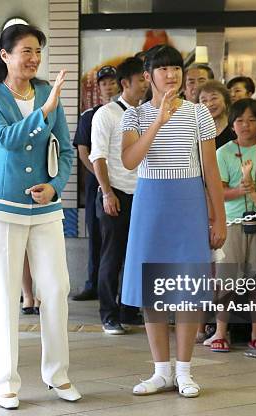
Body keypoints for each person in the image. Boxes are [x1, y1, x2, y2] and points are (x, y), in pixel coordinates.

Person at [0, 23, 80, 409]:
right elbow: (1, 140)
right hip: (1, 206)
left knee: (55, 288)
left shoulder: (47, 94)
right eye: (26, 52)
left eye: (38, 51)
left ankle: (58, 375)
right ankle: (6, 382)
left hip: (46, 206)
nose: (34, 59)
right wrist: (44, 111)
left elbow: (66, 150)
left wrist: (57, 184)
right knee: (4, 293)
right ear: (5, 55)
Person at [121, 45, 226, 397]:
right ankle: (160, 371)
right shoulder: (133, 116)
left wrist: (219, 218)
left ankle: (184, 371)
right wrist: (159, 121)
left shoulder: (199, 114)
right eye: (163, 69)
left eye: (176, 69)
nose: (172, 75)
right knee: (153, 290)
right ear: (147, 76)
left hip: (188, 202)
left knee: (187, 290)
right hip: (150, 203)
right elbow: (130, 161)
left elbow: (211, 171)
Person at [206, 98, 256, 352]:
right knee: (226, 281)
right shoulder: (223, 152)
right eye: (239, 120)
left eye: (252, 120)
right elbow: (217, 190)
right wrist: (242, 190)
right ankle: (220, 332)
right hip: (232, 223)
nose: (245, 125)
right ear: (231, 125)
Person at [89, 57, 148, 335]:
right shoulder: (107, 113)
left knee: (138, 257)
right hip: (116, 195)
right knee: (111, 257)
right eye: (141, 80)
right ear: (126, 83)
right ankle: (109, 314)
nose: (146, 84)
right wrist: (107, 192)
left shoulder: (148, 113)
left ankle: (129, 310)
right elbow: (97, 156)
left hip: (144, 195)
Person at [72, 65, 119, 301]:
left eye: (112, 82)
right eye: (104, 83)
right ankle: (93, 283)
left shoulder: (129, 113)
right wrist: (104, 179)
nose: (109, 87)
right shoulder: (88, 115)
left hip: (125, 184)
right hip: (96, 187)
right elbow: (83, 152)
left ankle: (118, 289)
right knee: (96, 234)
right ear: (98, 88)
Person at [197, 80, 235, 149]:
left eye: (214, 98)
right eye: (204, 101)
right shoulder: (197, 133)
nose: (209, 104)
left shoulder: (236, 129)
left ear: (226, 100)